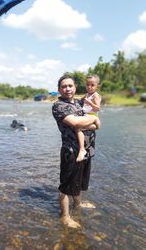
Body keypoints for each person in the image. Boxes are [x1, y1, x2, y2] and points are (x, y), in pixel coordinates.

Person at [52, 75, 100, 228]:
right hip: (71, 151)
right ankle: (65, 216)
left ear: (75, 87)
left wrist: (93, 121)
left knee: (79, 181)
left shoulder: (81, 102)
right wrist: (91, 121)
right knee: (66, 185)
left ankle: (78, 204)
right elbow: (75, 122)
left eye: (70, 86)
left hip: (87, 149)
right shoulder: (58, 106)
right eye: (64, 86)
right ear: (59, 89)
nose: (67, 89)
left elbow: (98, 122)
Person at [76, 74, 101, 162]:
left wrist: (89, 102)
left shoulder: (95, 96)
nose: (89, 87)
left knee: (78, 127)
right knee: (79, 128)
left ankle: (82, 149)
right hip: (86, 116)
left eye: (92, 85)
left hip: (91, 116)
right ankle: (96, 126)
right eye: (87, 85)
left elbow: (97, 108)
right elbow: (80, 100)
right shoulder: (87, 94)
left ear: (97, 86)